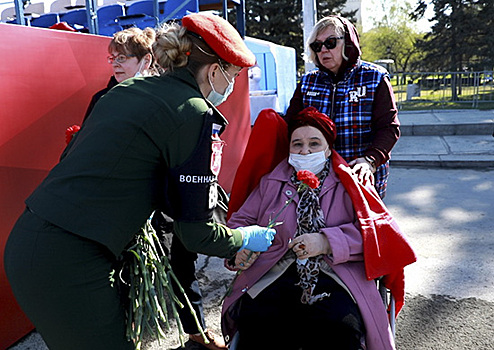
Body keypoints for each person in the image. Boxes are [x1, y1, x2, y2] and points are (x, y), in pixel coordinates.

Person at [4, 13, 276, 350]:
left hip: (30, 241)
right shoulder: (193, 111)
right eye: (233, 74)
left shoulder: (130, 88)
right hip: (70, 260)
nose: (232, 84)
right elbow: (195, 233)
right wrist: (242, 237)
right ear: (214, 70)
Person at [222, 107, 416, 350]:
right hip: (275, 270)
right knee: (256, 322)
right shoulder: (271, 182)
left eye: (314, 143)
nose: (305, 151)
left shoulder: (350, 183)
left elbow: (377, 235)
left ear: (328, 148)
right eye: (297, 144)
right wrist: (240, 247)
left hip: (336, 274)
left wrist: (327, 242)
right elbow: (239, 223)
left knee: (339, 328)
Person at [284, 16, 400, 198]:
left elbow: (389, 128)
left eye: (330, 43)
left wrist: (370, 160)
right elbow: (289, 124)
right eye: (317, 46)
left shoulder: (374, 78)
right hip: (317, 178)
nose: (323, 50)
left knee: (361, 226)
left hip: (359, 175)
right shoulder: (307, 82)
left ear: (348, 43)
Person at [83, 27, 158, 122]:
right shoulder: (101, 99)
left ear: (146, 60)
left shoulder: (160, 95)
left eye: (121, 57)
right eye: (113, 58)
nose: (115, 64)